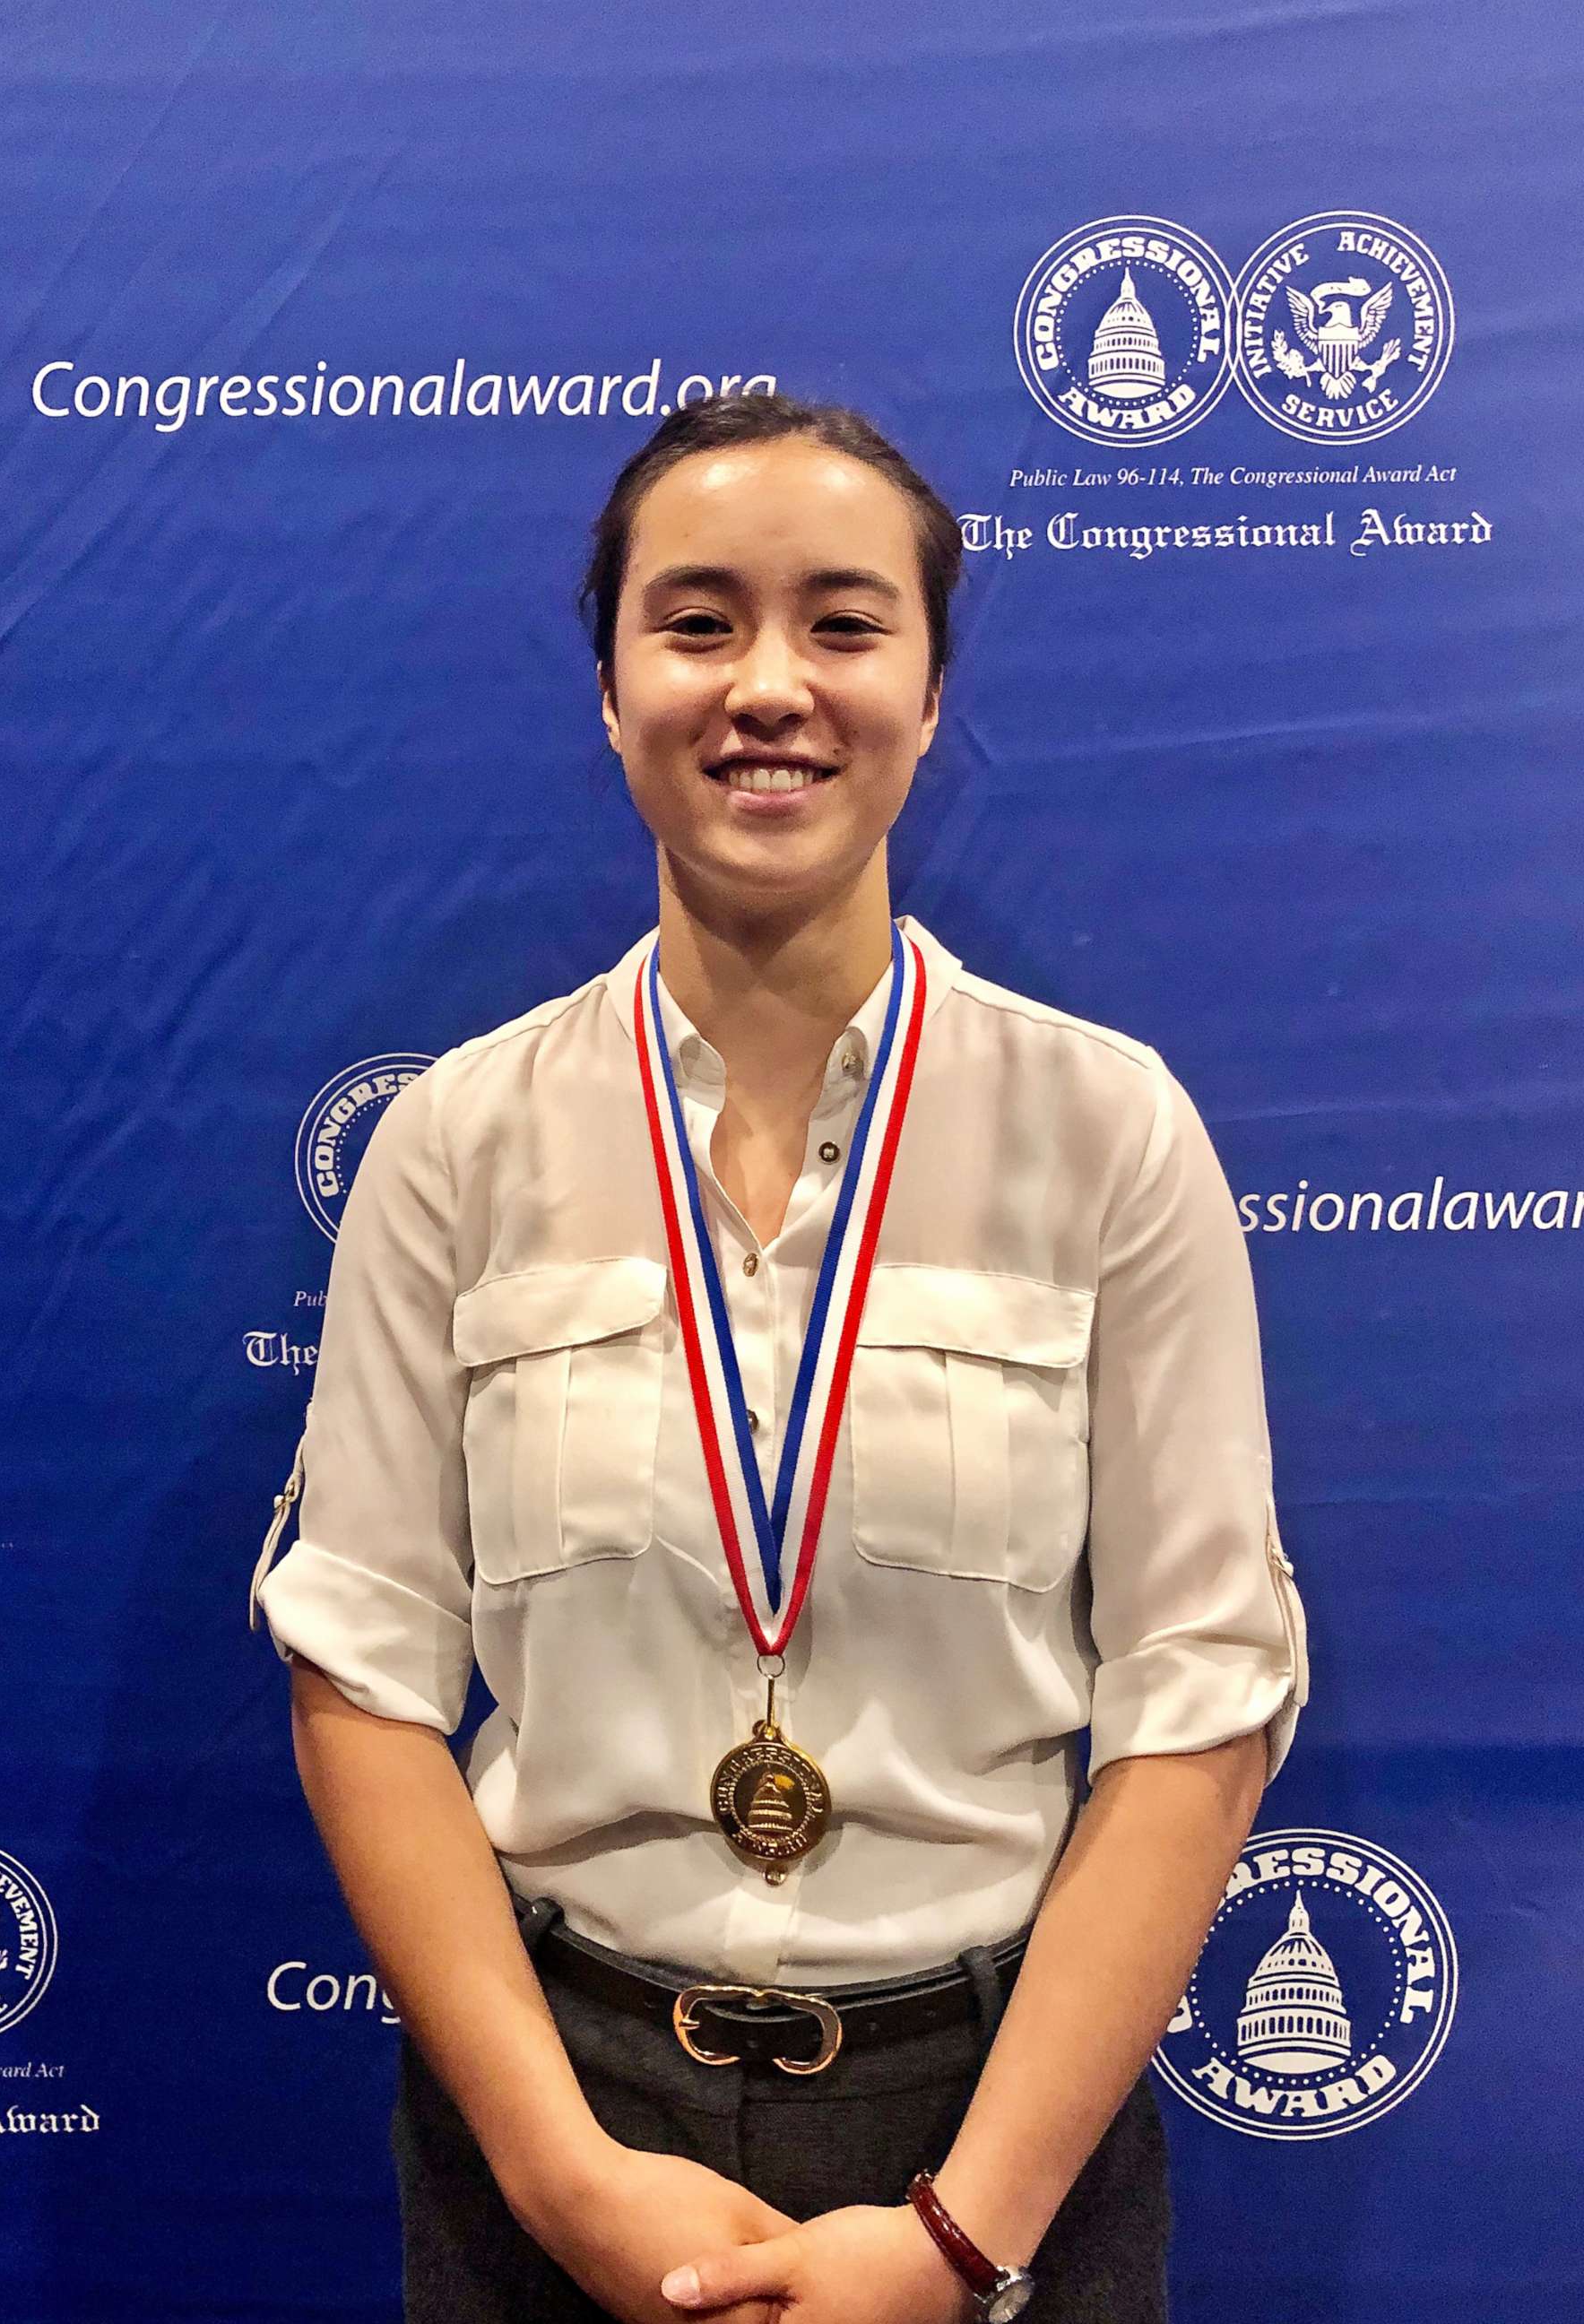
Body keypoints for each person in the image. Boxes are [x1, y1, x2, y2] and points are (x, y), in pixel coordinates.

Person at [249, 389, 1311, 2324]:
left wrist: (963, 2237)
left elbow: (1201, 1704)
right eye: (697, 620)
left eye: (842, 623)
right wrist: (561, 2177)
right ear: (609, 689)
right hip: (557, 2119)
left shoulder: (1109, 1130)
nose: (769, 686)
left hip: (998, 2125)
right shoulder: (459, 1145)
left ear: (925, 687)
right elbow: (364, 1676)